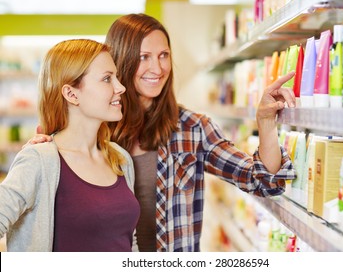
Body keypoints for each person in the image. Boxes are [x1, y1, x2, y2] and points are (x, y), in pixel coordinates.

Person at [26, 14, 296, 252]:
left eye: (163, 55)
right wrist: (44, 153)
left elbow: (263, 181)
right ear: (119, 61)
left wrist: (266, 123)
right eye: (144, 57)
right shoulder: (92, 129)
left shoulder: (192, 128)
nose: (158, 68)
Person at [0, 39, 140, 252]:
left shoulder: (120, 159)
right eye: (106, 79)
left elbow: (129, 241)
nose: (120, 87)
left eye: (117, 77)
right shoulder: (40, 160)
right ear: (72, 94)